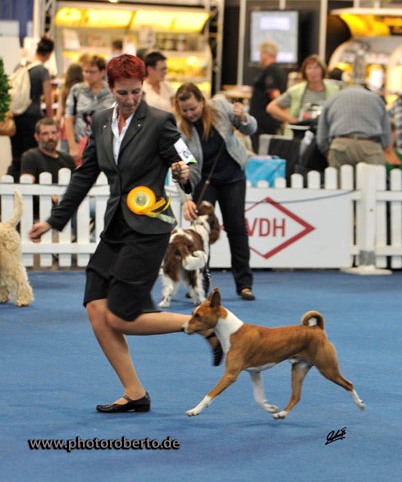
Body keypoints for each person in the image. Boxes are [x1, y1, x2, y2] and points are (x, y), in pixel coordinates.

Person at [28, 54, 220, 414]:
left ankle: (201, 323)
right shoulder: (100, 121)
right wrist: (54, 220)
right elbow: (85, 175)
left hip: (149, 229)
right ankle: (134, 393)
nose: (130, 99)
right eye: (122, 92)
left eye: (136, 91)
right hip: (116, 227)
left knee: (119, 317)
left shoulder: (161, 122)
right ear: (110, 88)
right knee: (95, 308)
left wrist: (184, 175)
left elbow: (190, 162)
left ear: (143, 86)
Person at [174, 82, 257, 301]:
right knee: (200, 233)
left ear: (202, 101)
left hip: (233, 177)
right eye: (185, 110)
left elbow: (250, 129)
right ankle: (199, 284)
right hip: (204, 181)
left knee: (236, 228)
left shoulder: (220, 107)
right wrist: (186, 199)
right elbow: (184, 168)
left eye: (193, 108)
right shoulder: (179, 132)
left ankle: (244, 285)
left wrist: (243, 117)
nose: (190, 114)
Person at [8, 35, 55, 181]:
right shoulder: (42, 71)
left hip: (16, 116)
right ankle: (29, 182)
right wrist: (50, 120)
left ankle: (12, 183)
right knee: (31, 154)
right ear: (49, 54)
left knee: (16, 155)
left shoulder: (20, 66)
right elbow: (48, 100)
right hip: (32, 118)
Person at [316, 84, 394, 169]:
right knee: (373, 177)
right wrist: (384, 146)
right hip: (370, 145)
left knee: (340, 177)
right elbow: (386, 133)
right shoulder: (376, 99)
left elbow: (322, 135)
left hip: (340, 145)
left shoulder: (332, 99)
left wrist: (328, 151)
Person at [64, 54, 114, 165]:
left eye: (92, 72)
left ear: (102, 72)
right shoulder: (76, 90)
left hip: (105, 146)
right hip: (80, 145)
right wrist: (73, 147)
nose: (87, 75)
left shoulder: (111, 92)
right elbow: (68, 119)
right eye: (85, 71)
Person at [266, 54, 340, 127]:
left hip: (326, 130)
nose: (313, 71)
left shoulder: (335, 90)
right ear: (304, 72)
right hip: (300, 131)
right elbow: (271, 107)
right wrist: (293, 120)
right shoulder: (296, 91)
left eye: (316, 67)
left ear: (322, 70)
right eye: (309, 68)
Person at [248, 41, 287, 152]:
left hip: (264, 123)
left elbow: (275, 94)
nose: (260, 57)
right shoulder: (279, 70)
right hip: (266, 122)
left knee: (261, 151)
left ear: (266, 54)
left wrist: (283, 116)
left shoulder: (271, 70)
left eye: (261, 53)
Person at [56, 63, 84, 152]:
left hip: (66, 126)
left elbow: (59, 113)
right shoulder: (83, 90)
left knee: (64, 153)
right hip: (81, 126)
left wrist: (57, 124)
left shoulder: (64, 90)